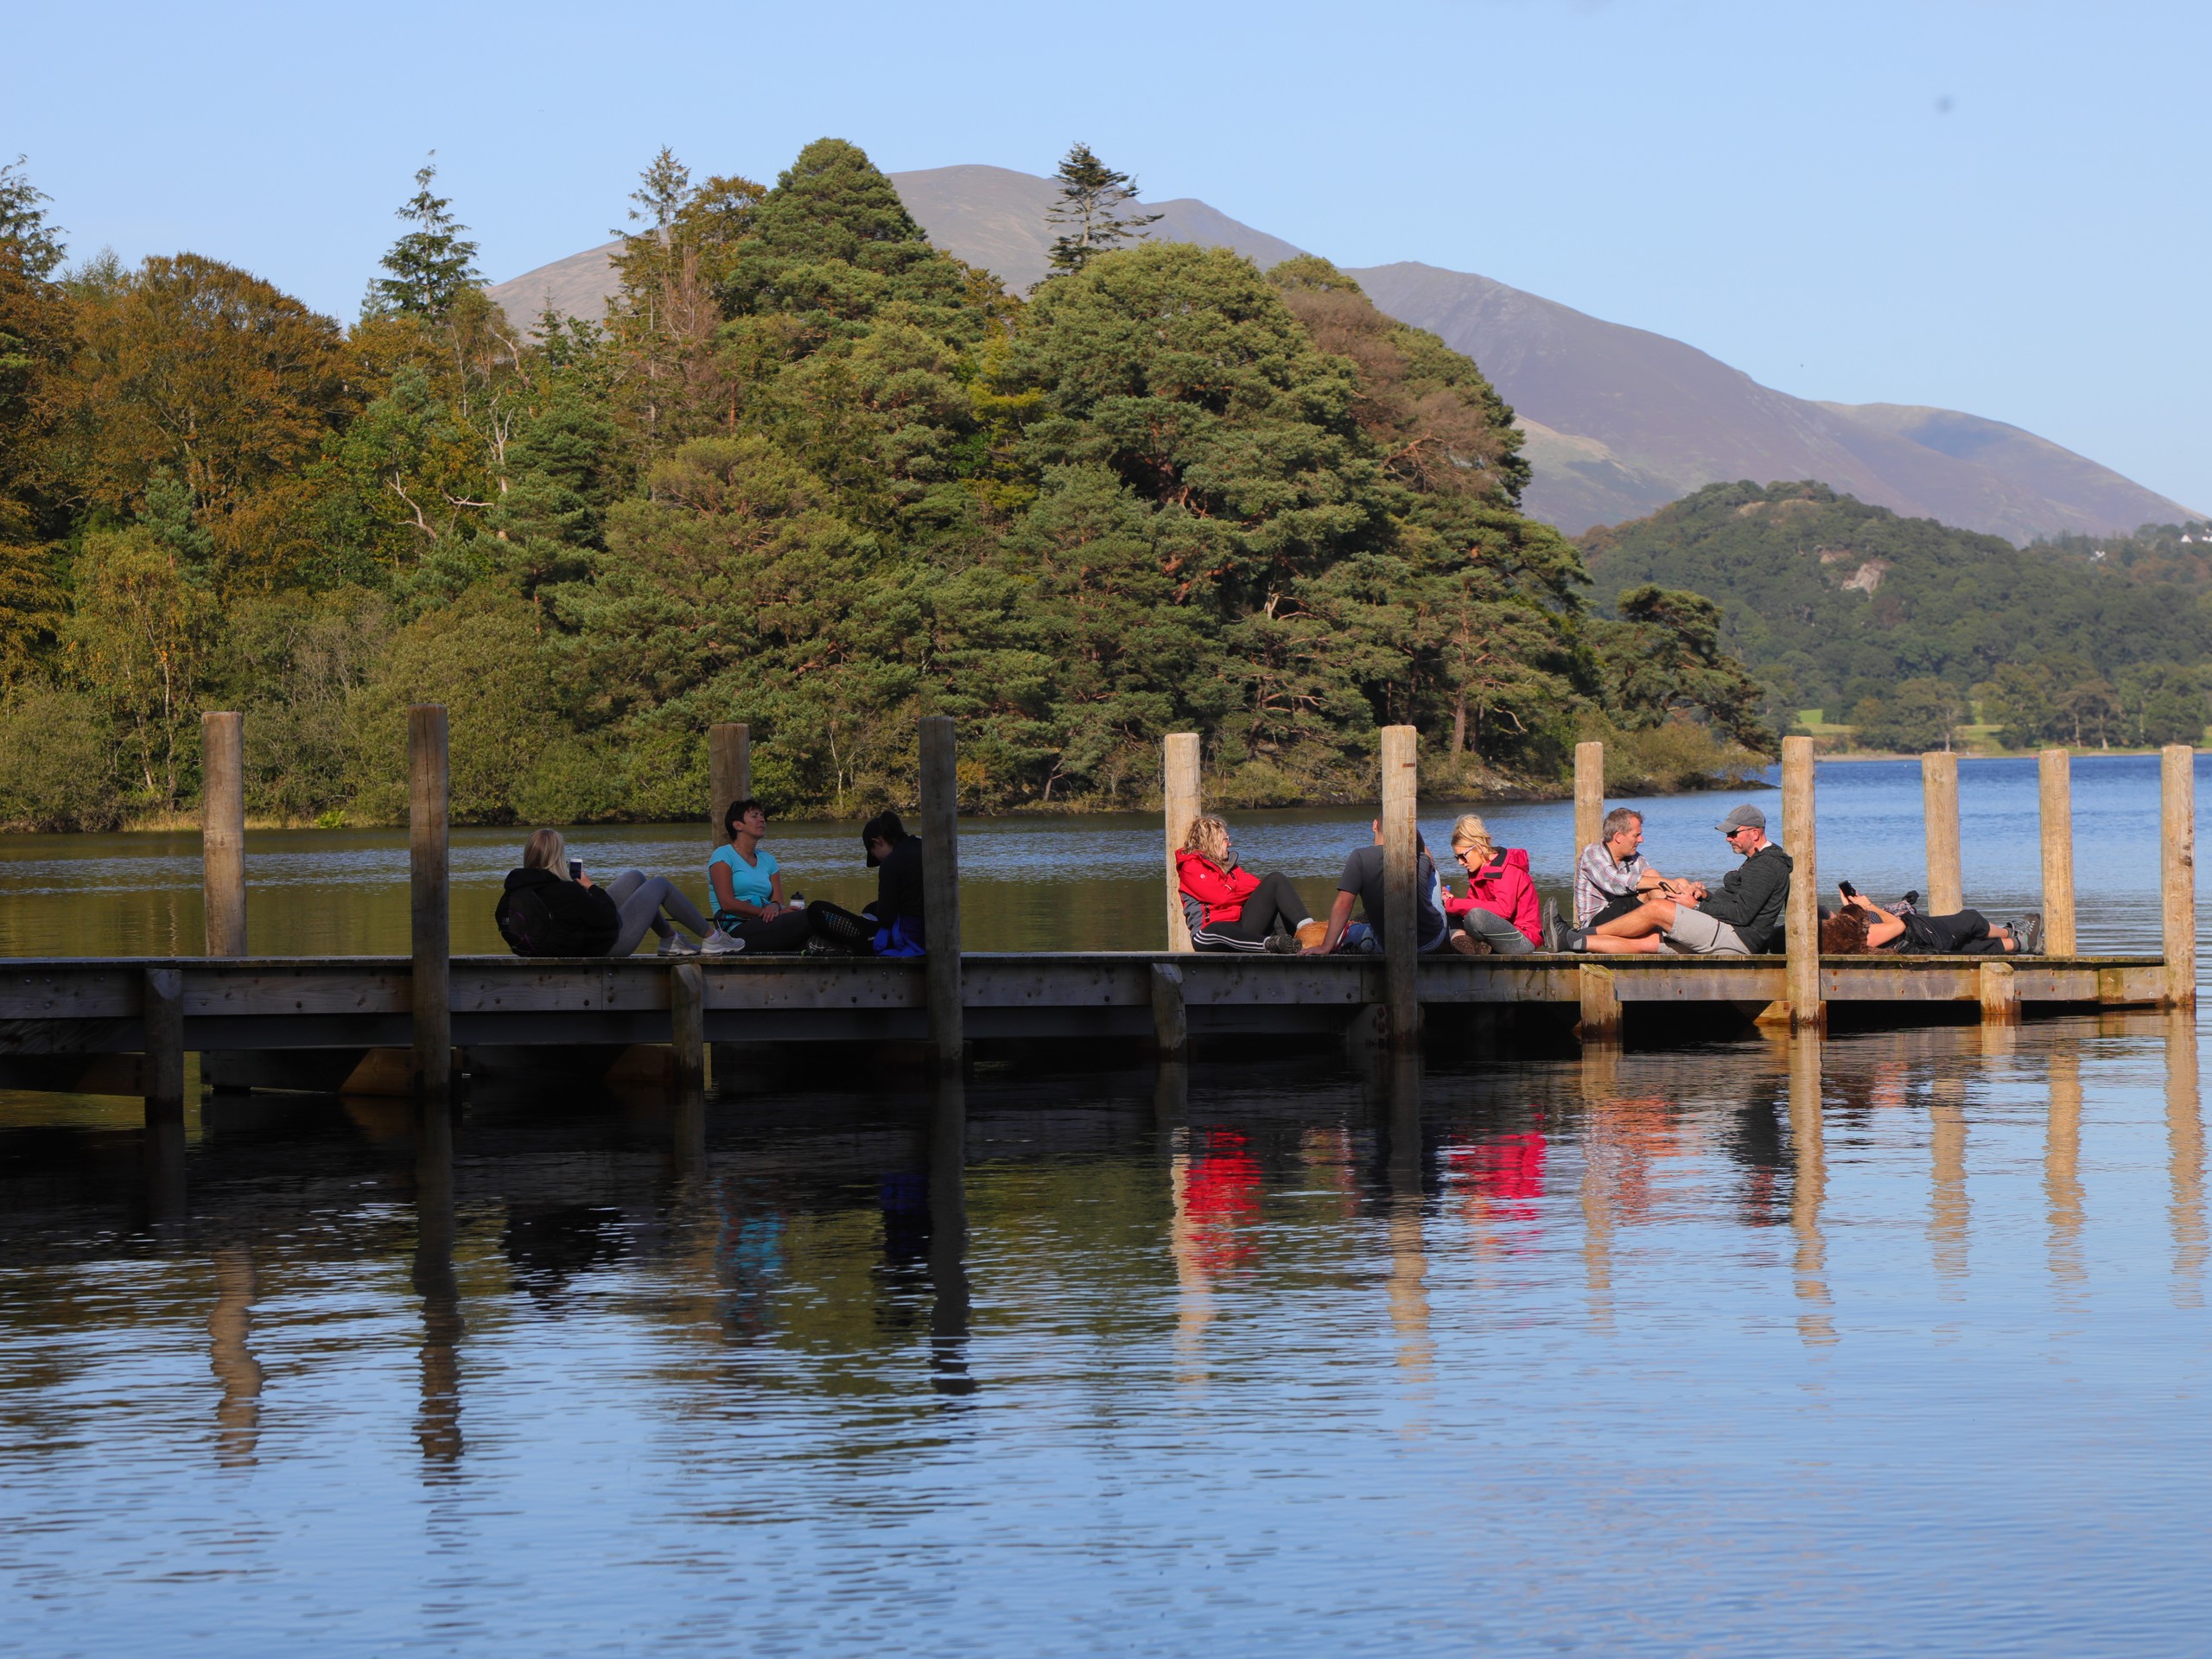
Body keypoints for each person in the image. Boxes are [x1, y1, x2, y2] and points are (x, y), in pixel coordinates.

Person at [1573, 804, 1791, 957]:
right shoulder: (1594, 853)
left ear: (1754, 833)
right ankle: (1576, 940)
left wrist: (1695, 904)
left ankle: (1581, 935)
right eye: (1728, 834)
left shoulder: (1765, 865)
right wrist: (1704, 896)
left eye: (1733, 834)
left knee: (1659, 908)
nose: (1727, 838)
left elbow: (1742, 914)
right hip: (1731, 932)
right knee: (1648, 939)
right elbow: (1615, 882)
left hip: (1739, 939)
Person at [496, 827, 739, 958]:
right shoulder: (566, 890)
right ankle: (712, 939)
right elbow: (606, 917)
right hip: (603, 949)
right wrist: (589, 886)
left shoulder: (515, 889)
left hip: (555, 946)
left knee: (635, 877)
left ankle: (670, 940)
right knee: (660, 884)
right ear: (557, 857)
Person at [1174, 816, 1321, 953]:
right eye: (1225, 839)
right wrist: (1234, 888)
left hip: (1242, 927)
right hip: (1209, 933)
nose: (1229, 843)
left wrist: (1230, 888)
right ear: (1211, 841)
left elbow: (1257, 885)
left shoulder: (1230, 866)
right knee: (1219, 929)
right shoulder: (1191, 866)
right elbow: (1221, 897)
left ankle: (1311, 933)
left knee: (1275, 880)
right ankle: (1271, 943)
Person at [1305, 820, 1452, 957]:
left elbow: (1343, 904)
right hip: (1430, 941)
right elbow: (1429, 859)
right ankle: (1448, 935)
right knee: (1433, 872)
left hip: (1390, 946)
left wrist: (1326, 946)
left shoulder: (1359, 857)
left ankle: (1343, 941)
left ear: (1375, 824)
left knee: (1354, 931)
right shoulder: (1413, 855)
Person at [709, 799, 814, 953]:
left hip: (767, 924)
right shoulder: (723, 855)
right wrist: (766, 912)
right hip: (736, 932)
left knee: (815, 919)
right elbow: (727, 903)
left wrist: (775, 906)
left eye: (762, 815)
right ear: (738, 825)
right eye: (754, 816)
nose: (762, 819)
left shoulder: (768, 860)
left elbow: (779, 902)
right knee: (812, 916)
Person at [1820, 888, 2040, 956]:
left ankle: (2021, 944)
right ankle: (2010, 932)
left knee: (1966, 946)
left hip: (1916, 944)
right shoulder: (1848, 936)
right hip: (1918, 936)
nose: (1838, 917)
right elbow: (1898, 926)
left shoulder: (1836, 939)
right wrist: (1868, 906)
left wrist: (1852, 909)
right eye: (1833, 916)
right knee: (1969, 920)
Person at [1443, 815, 1539, 956]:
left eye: (1463, 856)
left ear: (1479, 847)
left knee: (1474, 916)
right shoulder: (1477, 869)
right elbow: (1472, 903)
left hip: (1521, 939)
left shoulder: (1507, 868)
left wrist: (1455, 904)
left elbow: (1504, 910)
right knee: (1446, 912)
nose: (1460, 862)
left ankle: (1467, 943)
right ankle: (1465, 942)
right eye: (1457, 857)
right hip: (1496, 933)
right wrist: (1450, 902)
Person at [1574, 807, 1679, 928]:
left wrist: (1688, 888)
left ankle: (1675, 926)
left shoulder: (1635, 858)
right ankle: (1674, 930)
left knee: (1673, 881)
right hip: (1595, 923)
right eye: (1637, 835)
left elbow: (1656, 884)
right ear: (1618, 837)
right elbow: (1613, 882)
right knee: (1652, 879)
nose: (1641, 840)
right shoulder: (1592, 853)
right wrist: (1661, 882)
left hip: (1622, 913)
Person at [856, 809, 927, 957]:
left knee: (817, 910)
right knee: (872, 908)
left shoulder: (891, 862)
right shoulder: (924, 848)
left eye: (873, 854)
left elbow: (886, 918)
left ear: (878, 842)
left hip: (911, 936)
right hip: (934, 932)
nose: (878, 859)